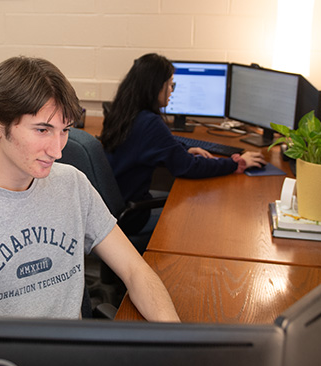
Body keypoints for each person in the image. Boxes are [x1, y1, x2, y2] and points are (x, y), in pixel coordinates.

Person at [0, 56, 180, 322]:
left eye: (64, 130)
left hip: (72, 358)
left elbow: (135, 271)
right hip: (5, 365)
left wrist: (175, 341)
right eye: (42, 130)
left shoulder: (72, 184)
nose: (58, 150)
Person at [101, 53, 265, 236]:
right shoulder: (150, 123)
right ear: (156, 87)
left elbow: (151, 146)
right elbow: (188, 167)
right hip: (131, 218)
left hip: (113, 210)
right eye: (171, 84)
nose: (172, 90)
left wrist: (185, 148)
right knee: (195, 216)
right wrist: (237, 163)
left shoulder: (121, 113)